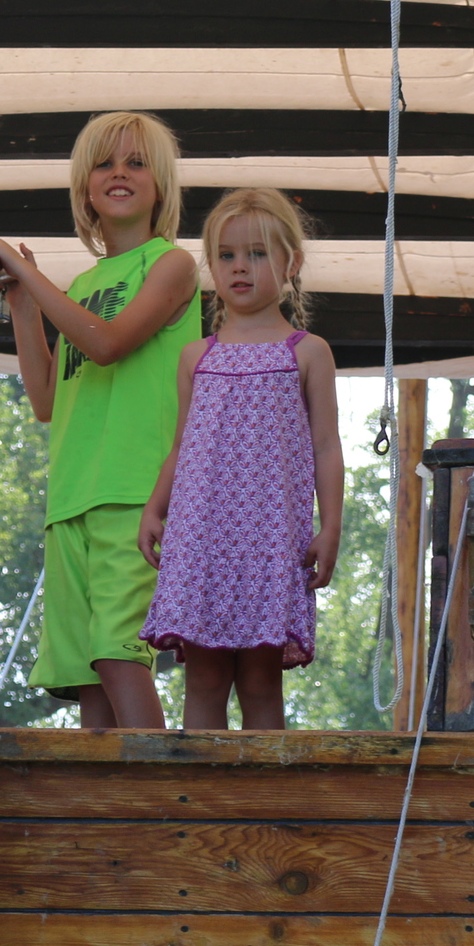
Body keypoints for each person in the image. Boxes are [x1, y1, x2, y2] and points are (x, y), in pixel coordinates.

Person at [0, 112, 199, 730]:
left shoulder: (171, 265)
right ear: (84, 187)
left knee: (119, 658)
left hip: (136, 493)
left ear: (161, 185)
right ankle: (102, 817)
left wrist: (27, 272)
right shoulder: (82, 283)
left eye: (136, 163)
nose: (120, 174)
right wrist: (24, 305)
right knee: (88, 678)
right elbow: (47, 399)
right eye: (105, 164)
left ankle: (160, 807)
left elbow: (107, 344)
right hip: (71, 496)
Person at [139, 187, 344, 730]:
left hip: (271, 541)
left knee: (260, 681)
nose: (240, 268)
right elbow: (181, 447)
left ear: (291, 262)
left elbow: (326, 446)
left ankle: (263, 805)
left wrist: (331, 526)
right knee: (204, 680)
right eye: (226, 255)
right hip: (201, 537)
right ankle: (198, 804)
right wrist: (154, 507)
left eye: (257, 254)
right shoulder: (194, 357)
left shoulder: (307, 351)